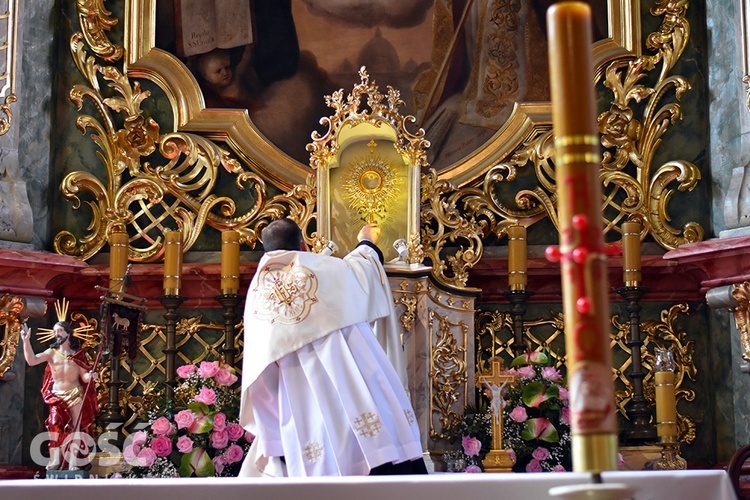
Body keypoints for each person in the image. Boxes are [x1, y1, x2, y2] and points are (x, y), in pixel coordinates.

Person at [239, 218, 426, 476]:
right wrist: (366, 240)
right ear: (303, 246)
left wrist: (273, 437)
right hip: (351, 378)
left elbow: (260, 372)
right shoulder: (319, 269)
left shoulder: (257, 295)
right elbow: (362, 269)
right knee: (378, 449)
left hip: (298, 392)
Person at [20, 321, 98, 470]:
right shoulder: (51, 353)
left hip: (75, 394)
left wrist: (92, 375)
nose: (57, 334)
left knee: (76, 427)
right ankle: (55, 459)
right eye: (55, 331)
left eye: (60, 330)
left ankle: (74, 460)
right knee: (55, 425)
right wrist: (26, 341)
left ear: (69, 333)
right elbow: (32, 361)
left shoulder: (77, 355)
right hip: (57, 395)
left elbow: (84, 376)